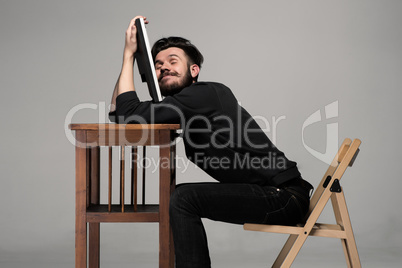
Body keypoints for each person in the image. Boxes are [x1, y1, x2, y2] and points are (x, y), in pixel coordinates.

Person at [109, 16, 313, 268]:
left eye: (173, 62)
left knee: (184, 198)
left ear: (194, 70)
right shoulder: (181, 108)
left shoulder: (205, 93)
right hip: (277, 194)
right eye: (158, 65)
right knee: (182, 196)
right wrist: (129, 60)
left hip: (284, 197)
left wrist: (129, 56)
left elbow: (127, 114)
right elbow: (119, 112)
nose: (164, 68)